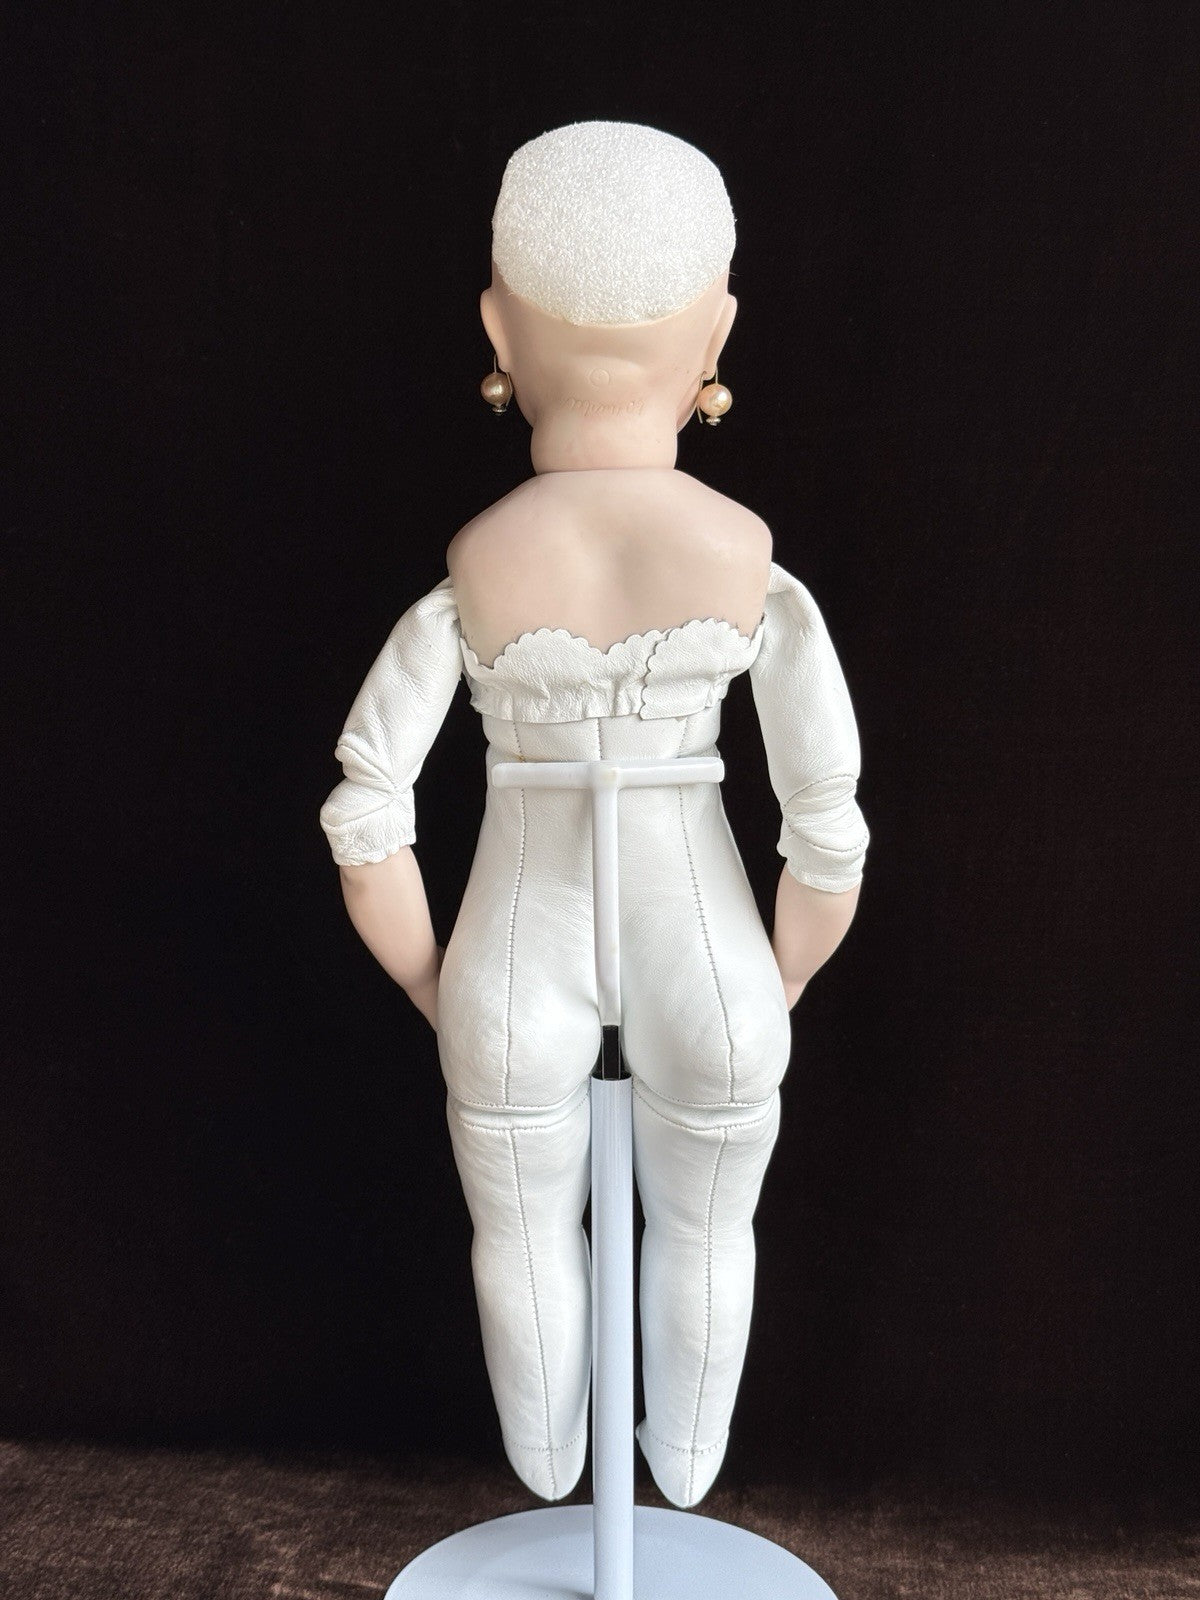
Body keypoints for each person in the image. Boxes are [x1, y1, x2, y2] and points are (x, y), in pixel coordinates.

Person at [319, 121, 868, 1509]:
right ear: (718, 337)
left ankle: (552, 1469)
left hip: (515, 941)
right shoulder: (748, 565)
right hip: (711, 941)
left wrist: (434, 983)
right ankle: (680, 1480)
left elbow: (368, 811)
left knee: (518, 1234)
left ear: (499, 331)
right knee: (709, 1229)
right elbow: (828, 821)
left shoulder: (474, 573)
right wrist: (781, 976)